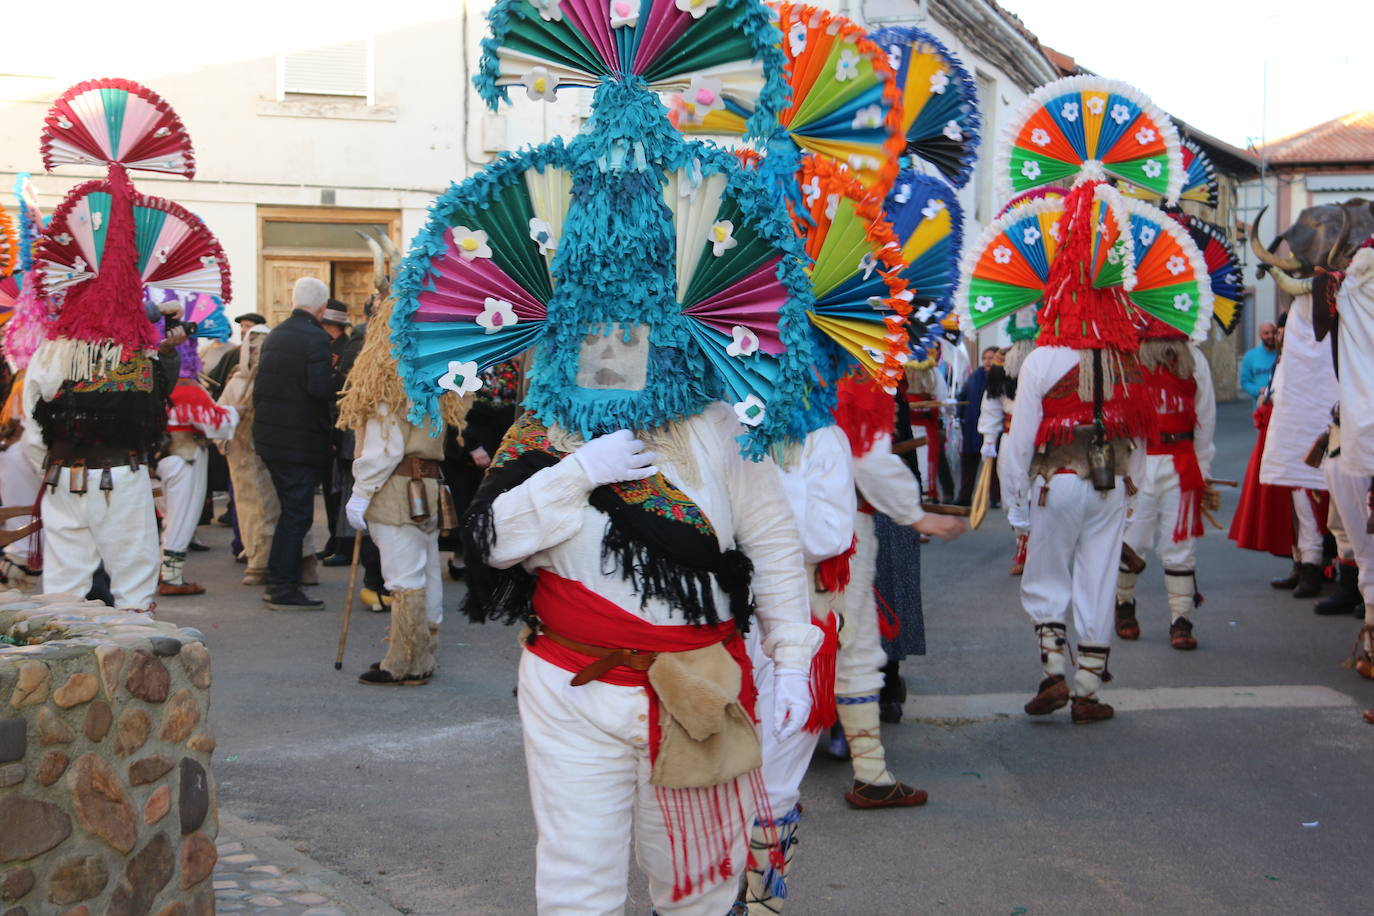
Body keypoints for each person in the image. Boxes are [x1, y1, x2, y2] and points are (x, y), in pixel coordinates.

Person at [998, 180, 1153, 726]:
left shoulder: (1042, 359)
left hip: (1056, 481)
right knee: (1098, 579)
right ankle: (1088, 688)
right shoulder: (1123, 358)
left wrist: (1016, 508)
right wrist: (1131, 493)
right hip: (1110, 485)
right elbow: (1136, 434)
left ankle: (1052, 673)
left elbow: (1019, 446)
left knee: (1046, 577)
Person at [338, 296, 468, 685]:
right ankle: (422, 655)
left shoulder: (390, 378)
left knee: (403, 575)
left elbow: (384, 445)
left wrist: (361, 491)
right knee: (425, 569)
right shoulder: (436, 373)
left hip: (396, 487)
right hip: (428, 484)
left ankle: (403, 660)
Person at [1113, 317, 1217, 649]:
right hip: (1140, 460)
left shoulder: (1194, 359)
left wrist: (1204, 469)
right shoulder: (1129, 359)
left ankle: (1181, 619)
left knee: (1180, 542)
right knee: (1133, 538)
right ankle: (1124, 605)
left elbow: (1206, 418)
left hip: (1182, 461)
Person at [252, 276, 335, 610]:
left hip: (272, 438)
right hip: (298, 441)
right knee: (297, 515)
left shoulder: (276, 334)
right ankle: (282, 585)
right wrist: (339, 380)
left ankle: (278, 578)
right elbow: (319, 389)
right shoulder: (315, 338)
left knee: (289, 511)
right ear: (323, 308)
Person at [1259, 299, 1336, 598]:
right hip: (1289, 442)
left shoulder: (1318, 361)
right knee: (1294, 509)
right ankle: (1301, 563)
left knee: (1309, 510)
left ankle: (1314, 568)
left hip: (1310, 444)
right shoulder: (1283, 363)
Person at [156, 335, 237, 595]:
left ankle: (163, 571)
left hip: (158, 458)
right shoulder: (188, 388)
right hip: (185, 456)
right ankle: (171, 577)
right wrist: (236, 412)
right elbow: (215, 424)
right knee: (181, 517)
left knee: (167, 517)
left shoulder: (155, 382)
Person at [217, 325, 277, 585]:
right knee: (249, 508)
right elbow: (218, 416)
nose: (255, 353)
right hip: (242, 455)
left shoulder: (274, 380)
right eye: (251, 348)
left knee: (270, 508)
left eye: (260, 347)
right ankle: (255, 555)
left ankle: (266, 560)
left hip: (266, 453)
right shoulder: (237, 382)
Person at [318, 299, 353, 563]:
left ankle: (343, 542)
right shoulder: (325, 347)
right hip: (328, 426)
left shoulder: (347, 350)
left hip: (341, 427)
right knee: (330, 488)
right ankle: (334, 538)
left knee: (340, 489)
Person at [954, 346, 997, 505]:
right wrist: (960, 416)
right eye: (985, 357)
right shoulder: (974, 376)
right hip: (972, 426)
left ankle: (994, 497)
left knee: (993, 465)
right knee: (969, 463)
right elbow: (962, 396)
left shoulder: (1000, 377)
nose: (987, 361)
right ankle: (964, 497)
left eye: (991, 357)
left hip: (992, 426)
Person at [1238, 321, 1277, 404]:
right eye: (1266, 333)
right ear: (1260, 335)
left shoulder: (1283, 355)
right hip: (1260, 410)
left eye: (1273, 332)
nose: (1271, 336)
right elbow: (1245, 381)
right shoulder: (1250, 356)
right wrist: (1258, 390)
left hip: (1280, 409)